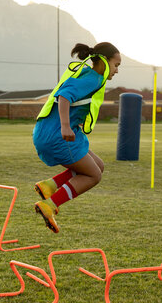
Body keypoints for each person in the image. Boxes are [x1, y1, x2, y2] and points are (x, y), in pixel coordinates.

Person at [32, 42, 121, 233]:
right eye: (116, 65)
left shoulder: (88, 75)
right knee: (93, 175)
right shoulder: (93, 79)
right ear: (104, 62)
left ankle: (49, 186)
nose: (116, 70)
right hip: (57, 135)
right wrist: (65, 126)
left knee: (99, 165)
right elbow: (64, 97)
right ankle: (49, 206)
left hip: (49, 131)